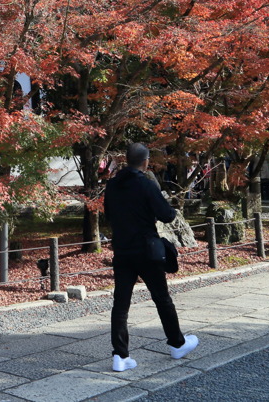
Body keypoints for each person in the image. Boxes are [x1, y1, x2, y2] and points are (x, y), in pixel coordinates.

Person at [104, 143, 199, 372]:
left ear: (127, 160)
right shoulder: (146, 185)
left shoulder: (112, 186)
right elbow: (166, 216)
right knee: (162, 298)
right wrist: (172, 209)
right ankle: (177, 343)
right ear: (145, 162)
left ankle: (120, 355)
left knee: (121, 304)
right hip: (146, 250)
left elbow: (108, 215)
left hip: (123, 250)